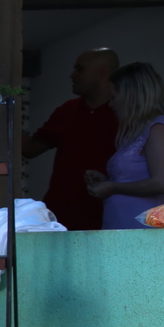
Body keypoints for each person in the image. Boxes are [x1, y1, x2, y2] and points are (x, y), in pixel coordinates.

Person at [22, 48, 120, 230]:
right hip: (62, 215)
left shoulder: (124, 113)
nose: (72, 75)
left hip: (109, 217)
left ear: (103, 71)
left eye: (80, 69)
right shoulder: (68, 110)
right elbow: (30, 149)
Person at [85, 62, 164, 230]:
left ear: (130, 96)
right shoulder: (140, 131)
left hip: (144, 231)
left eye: (113, 97)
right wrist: (107, 181)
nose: (111, 104)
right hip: (126, 227)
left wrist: (112, 187)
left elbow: (162, 183)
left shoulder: (158, 129)